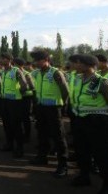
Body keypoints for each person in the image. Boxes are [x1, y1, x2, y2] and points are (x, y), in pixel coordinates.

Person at [70, 54, 108, 194]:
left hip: (97, 122)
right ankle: (84, 176)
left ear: (85, 64)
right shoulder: (79, 79)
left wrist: (103, 117)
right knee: (82, 151)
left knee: (102, 154)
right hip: (81, 119)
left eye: (76, 63)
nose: (74, 66)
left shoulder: (101, 82)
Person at [29, 50, 70, 178]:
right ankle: (42, 156)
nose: (36, 63)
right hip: (41, 107)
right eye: (35, 60)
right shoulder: (37, 73)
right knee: (42, 133)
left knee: (58, 135)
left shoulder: (56, 73)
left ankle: (63, 164)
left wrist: (62, 105)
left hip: (53, 108)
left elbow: (65, 91)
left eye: (39, 60)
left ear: (46, 59)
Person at [0, 53, 28, 158]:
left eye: (3, 58)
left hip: (15, 102)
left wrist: (19, 94)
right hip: (5, 100)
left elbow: (24, 85)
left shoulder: (16, 71)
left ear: (9, 60)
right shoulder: (2, 72)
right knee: (6, 124)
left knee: (16, 125)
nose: (1, 60)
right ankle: (9, 144)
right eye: (1, 58)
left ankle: (19, 148)